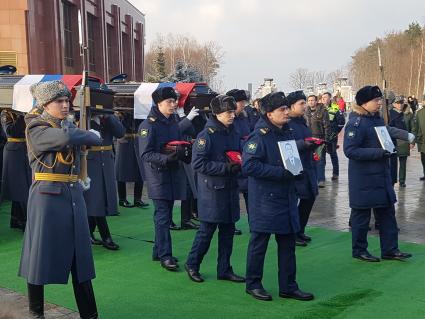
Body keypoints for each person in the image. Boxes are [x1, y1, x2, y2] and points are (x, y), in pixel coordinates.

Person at [19, 80, 101, 319]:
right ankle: (37, 313)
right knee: (39, 258)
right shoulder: (36, 127)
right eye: (60, 101)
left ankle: (90, 314)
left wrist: (83, 134)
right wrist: (87, 134)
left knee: (81, 259)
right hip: (47, 198)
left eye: (67, 100)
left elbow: (83, 141)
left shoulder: (68, 126)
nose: (65, 105)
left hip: (73, 194)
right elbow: (65, 138)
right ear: (46, 104)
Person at [243, 91, 314, 302]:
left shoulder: (287, 132)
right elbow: (249, 166)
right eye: (281, 109)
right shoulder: (259, 136)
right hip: (265, 199)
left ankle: (288, 286)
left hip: (287, 196)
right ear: (269, 113)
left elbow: (290, 158)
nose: (286, 112)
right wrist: (280, 173)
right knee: (259, 244)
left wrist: (297, 171)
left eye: (286, 108)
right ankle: (253, 283)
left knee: (288, 244)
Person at [343, 85, 412, 263]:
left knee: (387, 213)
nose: (380, 102)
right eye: (376, 100)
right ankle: (359, 250)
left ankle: (390, 249)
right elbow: (350, 150)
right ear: (364, 103)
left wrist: (408, 136)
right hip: (364, 179)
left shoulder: (376, 119)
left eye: (379, 99)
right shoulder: (355, 122)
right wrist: (378, 153)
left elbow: (387, 131)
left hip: (381, 176)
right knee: (361, 216)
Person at [184, 95, 245, 284]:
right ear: (217, 113)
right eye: (228, 112)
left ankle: (224, 269)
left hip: (229, 188)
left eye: (233, 111)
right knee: (206, 231)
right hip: (212, 191)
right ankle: (192, 264)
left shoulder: (232, 131)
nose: (232, 115)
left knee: (228, 231)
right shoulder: (206, 135)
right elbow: (198, 163)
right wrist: (225, 167)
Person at [138, 86, 193, 271]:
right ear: (158, 103)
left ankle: (158, 250)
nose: (173, 104)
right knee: (163, 216)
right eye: (169, 101)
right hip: (158, 175)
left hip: (172, 173)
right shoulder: (149, 125)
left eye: (174, 101)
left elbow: (180, 143)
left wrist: (184, 152)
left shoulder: (173, 121)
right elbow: (145, 154)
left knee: (165, 214)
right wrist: (166, 158)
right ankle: (165, 255)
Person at [84, 113, 125, 250]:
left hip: (106, 159)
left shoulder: (108, 117)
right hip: (90, 160)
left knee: (100, 198)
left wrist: (109, 117)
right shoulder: (83, 114)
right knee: (96, 199)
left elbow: (120, 133)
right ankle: (106, 236)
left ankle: (88, 233)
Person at [287, 91, 319, 247]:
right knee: (296, 201)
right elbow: (286, 145)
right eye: (302, 103)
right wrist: (303, 144)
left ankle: (300, 230)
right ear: (291, 105)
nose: (305, 106)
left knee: (309, 198)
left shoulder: (302, 122)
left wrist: (313, 146)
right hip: (294, 168)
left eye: (305, 103)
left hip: (308, 165)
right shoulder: (287, 124)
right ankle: (293, 233)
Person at [0, 109, 31, 231]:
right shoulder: (6, 113)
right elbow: (11, 132)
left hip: (24, 150)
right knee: (20, 186)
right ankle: (23, 219)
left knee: (23, 186)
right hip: (14, 152)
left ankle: (16, 218)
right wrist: (22, 116)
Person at [226, 88, 250, 234]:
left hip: (246, 161)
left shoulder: (244, 117)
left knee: (249, 194)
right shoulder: (227, 120)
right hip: (233, 162)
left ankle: (253, 222)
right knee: (232, 197)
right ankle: (231, 224)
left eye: (243, 102)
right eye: (240, 102)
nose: (243, 105)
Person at [116, 113, 149, 208]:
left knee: (140, 170)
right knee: (121, 170)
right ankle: (122, 199)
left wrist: (143, 137)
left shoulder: (142, 110)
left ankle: (138, 199)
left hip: (139, 141)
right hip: (124, 142)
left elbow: (145, 127)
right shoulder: (122, 110)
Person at [304, 94, 331, 187]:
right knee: (311, 160)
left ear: (316, 101)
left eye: (313, 100)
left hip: (319, 139)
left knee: (320, 160)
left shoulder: (323, 111)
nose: (311, 102)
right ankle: (313, 179)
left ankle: (321, 180)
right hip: (308, 139)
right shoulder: (305, 112)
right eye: (309, 100)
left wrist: (326, 140)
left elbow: (327, 126)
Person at [322, 92, 345, 183]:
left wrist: (335, 132)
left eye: (325, 97)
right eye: (322, 97)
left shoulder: (335, 108)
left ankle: (335, 174)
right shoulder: (319, 108)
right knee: (321, 156)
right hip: (321, 135)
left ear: (330, 98)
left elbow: (341, 122)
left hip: (332, 135)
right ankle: (321, 175)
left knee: (333, 154)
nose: (323, 99)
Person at [412, 103, 425, 181]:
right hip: (422, 140)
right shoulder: (419, 112)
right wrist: (413, 140)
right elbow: (415, 127)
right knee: (423, 159)